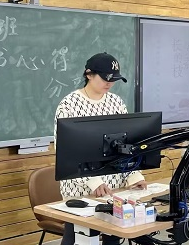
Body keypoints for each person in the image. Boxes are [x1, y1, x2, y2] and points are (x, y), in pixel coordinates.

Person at [54, 52, 147, 245]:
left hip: (114, 187)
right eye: (105, 78)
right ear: (89, 74)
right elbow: (67, 151)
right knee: (79, 236)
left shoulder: (116, 102)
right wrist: (93, 182)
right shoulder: (69, 105)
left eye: (114, 79)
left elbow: (125, 143)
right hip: (80, 189)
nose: (110, 83)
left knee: (112, 237)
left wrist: (134, 175)